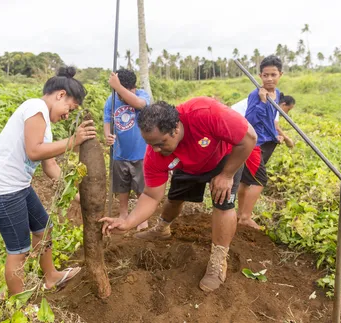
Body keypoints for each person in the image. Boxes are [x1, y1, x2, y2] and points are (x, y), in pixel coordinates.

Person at [100, 97, 257, 292]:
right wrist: (128, 222)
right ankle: (163, 229)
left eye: (160, 143)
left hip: (223, 159)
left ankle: (218, 259)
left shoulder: (206, 113)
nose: (155, 149)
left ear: (175, 129)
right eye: (151, 144)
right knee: (174, 198)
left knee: (223, 203)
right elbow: (151, 196)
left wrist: (227, 175)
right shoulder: (156, 154)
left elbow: (249, 137)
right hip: (186, 164)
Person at [0, 66, 97, 295]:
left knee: (44, 228)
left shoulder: (44, 121)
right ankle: (18, 305)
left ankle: (51, 277)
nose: (67, 115)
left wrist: (78, 197)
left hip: (18, 187)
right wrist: (73, 141)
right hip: (1, 191)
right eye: (69, 108)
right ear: (60, 94)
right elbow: (34, 151)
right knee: (19, 250)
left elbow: (50, 165)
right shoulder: (35, 107)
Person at [237, 55, 291, 230]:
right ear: (260, 76)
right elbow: (250, 119)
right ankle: (245, 217)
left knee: (246, 180)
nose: (269, 79)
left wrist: (276, 135)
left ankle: (240, 214)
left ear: (280, 75)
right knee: (259, 180)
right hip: (254, 143)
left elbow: (270, 119)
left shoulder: (277, 94)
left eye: (273, 75)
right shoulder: (256, 94)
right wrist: (261, 101)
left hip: (266, 142)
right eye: (266, 75)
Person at [104, 69, 151, 231]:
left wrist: (118, 88)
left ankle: (141, 218)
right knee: (121, 188)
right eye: (118, 93)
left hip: (141, 153)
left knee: (141, 188)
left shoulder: (142, 95)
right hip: (120, 154)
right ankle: (123, 214)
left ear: (133, 88)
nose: (121, 97)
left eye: (122, 93)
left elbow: (140, 105)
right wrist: (107, 135)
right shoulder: (111, 99)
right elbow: (107, 120)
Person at [232, 93, 296, 148]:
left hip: (233, 117)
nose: (286, 113)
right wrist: (287, 140)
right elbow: (275, 127)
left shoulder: (268, 100)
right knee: (272, 138)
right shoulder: (274, 105)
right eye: (288, 109)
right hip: (236, 122)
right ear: (283, 104)